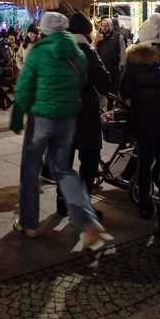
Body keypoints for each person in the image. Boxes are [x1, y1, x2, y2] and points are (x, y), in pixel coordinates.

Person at [10, 12, 106, 246]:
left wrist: (16, 118)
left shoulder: (39, 52)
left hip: (42, 117)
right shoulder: (79, 53)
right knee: (64, 170)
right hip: (68, 118)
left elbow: (24, 87)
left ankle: (29, 224)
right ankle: (86, 219)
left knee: (30, 171)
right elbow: (82, 82)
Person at [119, 43, 160, 229]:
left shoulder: (135, 60)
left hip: (143, 119)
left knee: (144, 162)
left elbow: (125, 90)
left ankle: (145, 205)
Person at [63, 12, 112, 215]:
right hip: (84, 114)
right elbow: (104, 82)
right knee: (90, 157)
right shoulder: (86, 51)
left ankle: (62, 202)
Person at [92, 18, 126, 94]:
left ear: (110, 26)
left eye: (106, 26)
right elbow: (92, 49)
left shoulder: (118, 36)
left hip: (113, 66)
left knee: (113, 86)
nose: (104, 28)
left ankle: (112, 103)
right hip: (101, 66)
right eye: (102, 26)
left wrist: (121, 64)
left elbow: (122, 51)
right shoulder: (98, 36)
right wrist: (95, 41)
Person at [0, 29, 14, 110]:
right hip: (0, 69)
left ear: (1, 38)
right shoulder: (2, 45)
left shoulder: (4, 46)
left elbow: (6, 59)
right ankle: (2, 104)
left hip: (1, 70)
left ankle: (8, 100)